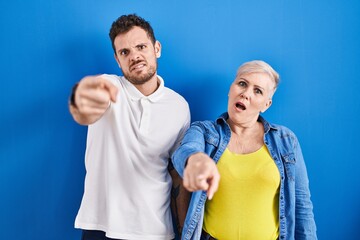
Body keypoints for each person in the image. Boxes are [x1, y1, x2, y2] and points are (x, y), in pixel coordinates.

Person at [69, 14, 191, 240]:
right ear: (117, 60)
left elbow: (176, 174)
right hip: (102, 227)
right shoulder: (108, 85)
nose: (134, 56)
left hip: (157, 231)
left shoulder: (179, 106)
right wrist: (82, 98)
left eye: (141, 47)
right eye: (124, 52)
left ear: (157, 48)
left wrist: (184, 228)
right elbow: (83, 103)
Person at [172, 60, 317, 240]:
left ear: (266, 104)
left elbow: (302, 207)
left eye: (258, 91)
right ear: (230, 89)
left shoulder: (285, 140)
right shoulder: (204, 131)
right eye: (242, 83)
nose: (246, 93)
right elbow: (185, 151)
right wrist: (195, 160)